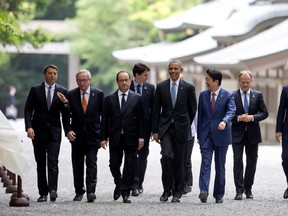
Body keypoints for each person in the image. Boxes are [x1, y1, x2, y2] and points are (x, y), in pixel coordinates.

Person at [152, 59, 197, 203]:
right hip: (165, 128)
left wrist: (184, 123)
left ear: (181, 70)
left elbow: (192, 109)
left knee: (180, 160)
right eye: (170, 68)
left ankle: (177, 191)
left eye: (175, 69)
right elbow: (155, 110)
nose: (173, 71)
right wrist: (155, 130)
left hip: (182, 128)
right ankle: (167, 189)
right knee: (166, 156)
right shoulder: (161, 87)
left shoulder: (188, 88)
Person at [24, 64, 69, 202]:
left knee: (53, 161)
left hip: (54, 133)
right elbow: (28, 109)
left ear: (57, 75)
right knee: (41, 163)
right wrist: (29, 127)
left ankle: (53, 190)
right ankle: (43, 193)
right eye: (50, 73)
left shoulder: (62, 91)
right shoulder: (35, 89)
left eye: (55, 73)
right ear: (45, 74)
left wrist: (65, 103)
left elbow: (66, 114)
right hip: (38, 132)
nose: (52, 75)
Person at [58, 69, 104, 202]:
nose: (82, 83)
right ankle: (79, 191)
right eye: (79, 80)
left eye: (85, 80)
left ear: (90, 80)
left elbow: (104, 115)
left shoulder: (99, 94)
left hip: (93, 135)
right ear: (76, 81)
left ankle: (91, 191)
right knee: (77, 164)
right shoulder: (71, 94)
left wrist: (103, 135)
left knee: (91, 163)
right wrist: (67, 130)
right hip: (76, 136)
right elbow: (66, 115)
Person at [100, 70, 145, 203]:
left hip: (132, 137)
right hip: (115, 137)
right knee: (113, 164)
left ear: (130, 81)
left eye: (126, 80)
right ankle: (119, 184)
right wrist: (103, 138)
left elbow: (142, 120)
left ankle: (125, 192)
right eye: (121, 80)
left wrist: (141, 138)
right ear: (117, 82)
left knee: (130, 166)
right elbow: (104, 120)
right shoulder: (109, 99)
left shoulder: (137, 98)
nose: (124, 82)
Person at [197, 68, 236, 204]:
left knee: (220, 166)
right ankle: (204, 191)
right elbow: (200, 116)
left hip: (221, 135)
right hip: (206, 135)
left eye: (208, 79)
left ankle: (219, 194)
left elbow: (231, 110)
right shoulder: (202, 95)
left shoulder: (228, 95)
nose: (206, 81)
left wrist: (224, 121)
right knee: (205, 163)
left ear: (216, 81)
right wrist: (199, 136)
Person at [232, 70, 268, 200]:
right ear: (239, 81)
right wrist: (239, 118)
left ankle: (248, 188)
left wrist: (252, 117)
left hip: (253, 133)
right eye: (243, 82)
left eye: (248, 82)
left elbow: (264, 113)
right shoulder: (232, 96)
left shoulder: (258, 95)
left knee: (252, 162)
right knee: (237, 161)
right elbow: (229, 115)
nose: (245, 85)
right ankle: (239, 190)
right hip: (237, 134)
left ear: (251, 82)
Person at [129, 63, 155, 196]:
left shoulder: (150, 88)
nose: (147, 77)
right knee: (132, 155)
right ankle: (133, 182)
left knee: (143, 156)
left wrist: (154, 129)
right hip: (130, 127)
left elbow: (154, 110)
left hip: (145, 127)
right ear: (137, 75)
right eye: (145, 75)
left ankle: (139, 183)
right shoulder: (127, 85)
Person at [276, 84, 288, 199]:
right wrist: (278, 129)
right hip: (287, 131)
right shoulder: (285, 89)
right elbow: (281, 110)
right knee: (285, 158)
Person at [183, 112, 197, 195]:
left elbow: (196, 116)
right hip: (178, 131)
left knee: (187, 158)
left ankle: (187, 183)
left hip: (190, 132)